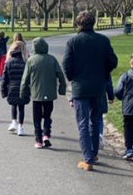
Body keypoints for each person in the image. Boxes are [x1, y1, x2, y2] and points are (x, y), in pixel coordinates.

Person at [63, 10, 118, 171]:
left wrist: (74, 77)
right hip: (99, 85)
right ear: (93, 23)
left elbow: (67, 65)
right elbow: (112, 61)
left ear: (78, 24)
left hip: (80, 87)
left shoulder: (73, 42)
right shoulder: (103, 40)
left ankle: (88, 158)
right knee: (95, 121)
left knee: (83, 123)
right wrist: (103, 72)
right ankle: (93, 154)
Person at [19, 37, 67, 148]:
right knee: (47, 115)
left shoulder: (31, 60)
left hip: (36, 93)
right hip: (50, 93)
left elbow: (25, 78)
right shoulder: (52, 59)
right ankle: (46, 134)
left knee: (37, 117)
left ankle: (38, 139)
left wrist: (23, 92)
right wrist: (62, 89)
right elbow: (61, 75)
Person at [1, 39, 28, 135]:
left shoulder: (9, 62)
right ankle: (20, 126)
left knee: (13, 105)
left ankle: (13, 122)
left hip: (12, 87)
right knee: (22, 107)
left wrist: (3, 90)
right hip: (23, 87)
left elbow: (5, 78)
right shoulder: (26, 62)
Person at [98, 75, 115, 147]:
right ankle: (99, 135)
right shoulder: (105, 69)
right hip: (101, 96)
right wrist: (111, 97)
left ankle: (89, 137)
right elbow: (109, 84)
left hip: (87, 96)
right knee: (99, 118)